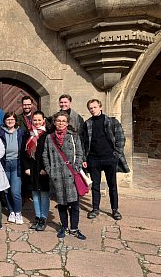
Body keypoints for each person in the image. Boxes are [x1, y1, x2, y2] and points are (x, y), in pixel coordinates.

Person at [82, 99, 130, 221]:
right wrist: (84, 158)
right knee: (95, 186)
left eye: (94, 107)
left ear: (100, 107)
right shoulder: (87, 123)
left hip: (109, 158)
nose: (92, 110)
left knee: (112, 185)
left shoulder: (112, 122)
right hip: (94, 159)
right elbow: (83, 143)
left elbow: (121, 138)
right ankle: (95, 209)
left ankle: (115, 210)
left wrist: (116, 155)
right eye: (90, 108)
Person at [42, 111, 86, 240]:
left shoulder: (73, 136)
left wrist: (76, 168)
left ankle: (74, 228)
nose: (61, 123)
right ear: (54, 122)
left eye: (63, 121)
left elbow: (79, 153)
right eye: (58, 121)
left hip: (71, 174)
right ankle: (64, 227)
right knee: (62, 204)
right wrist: (50, 170)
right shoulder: (49, 138)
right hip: (57, 175)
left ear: (67, 123)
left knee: (74, 204)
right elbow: (45, 155)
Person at [23, 111, 50, 231]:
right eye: (35, 120)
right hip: (32, 168)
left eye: (39, 120)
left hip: (43, 169)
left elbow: (50, 153)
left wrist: (46, 168)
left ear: (43, 120)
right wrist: (26, 167)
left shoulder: (48, 135)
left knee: (44, 194)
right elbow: (23, 153)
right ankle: (37, 217)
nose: (37, 122)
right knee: (34, 194)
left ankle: (43, 218)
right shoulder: (28, 134)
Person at [0, 112, 24, 225]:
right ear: (5, 121)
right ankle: (11, 211)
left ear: (15, 121)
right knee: (6, 190)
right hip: (4, 164)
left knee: (15, 191)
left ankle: (18, 212)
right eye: (8, 119)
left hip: (16, 164)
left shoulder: (21, 132)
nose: (10, 121)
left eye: (12, 119)